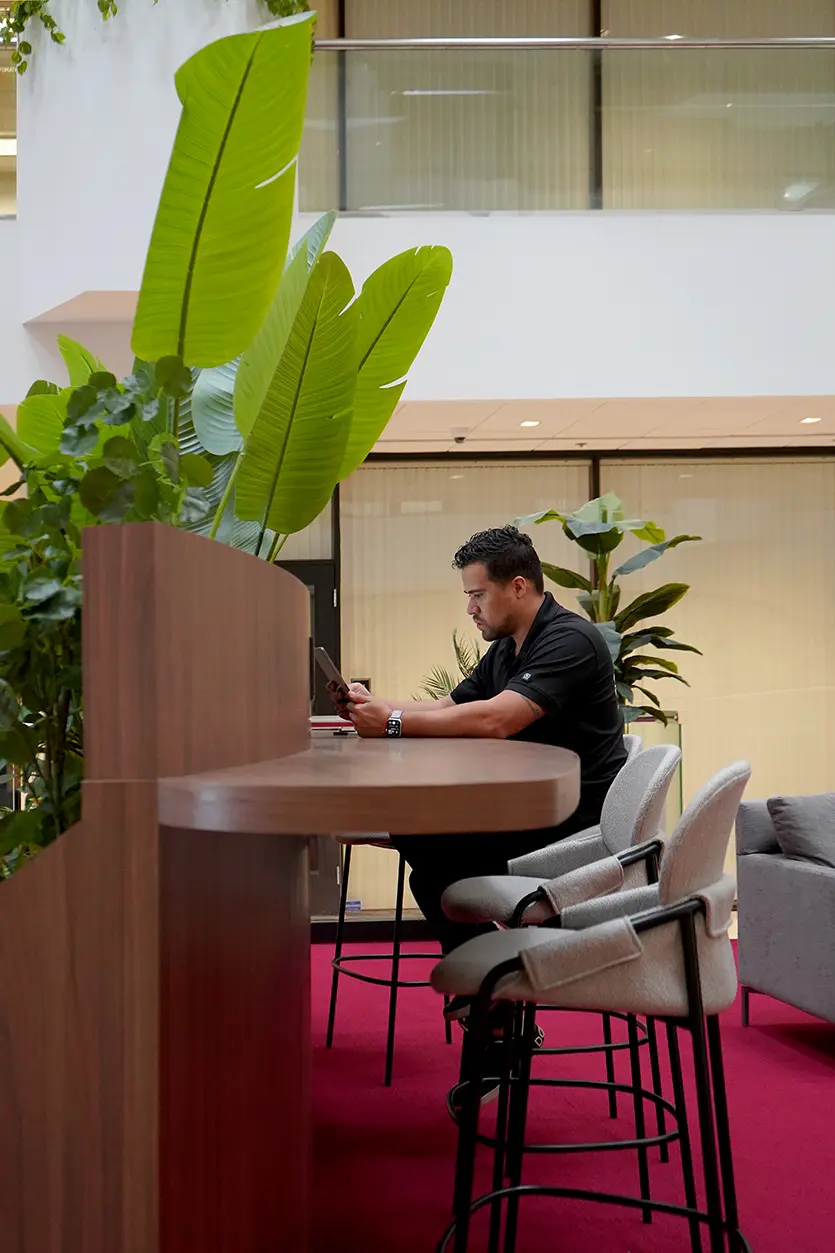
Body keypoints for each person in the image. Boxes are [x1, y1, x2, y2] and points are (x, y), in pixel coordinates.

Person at [334, 525, 627, 958]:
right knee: (429, 865)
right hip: (528, 809)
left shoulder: (571, 640)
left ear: (518, 587)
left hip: (573, 824)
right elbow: (446, 704)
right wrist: (374, 706)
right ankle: (492, 996)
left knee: (427, 848)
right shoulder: (508, 647)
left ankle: (493, 990)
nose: (470, 608)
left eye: (478, 595)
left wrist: (392, 724)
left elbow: (498, 718)